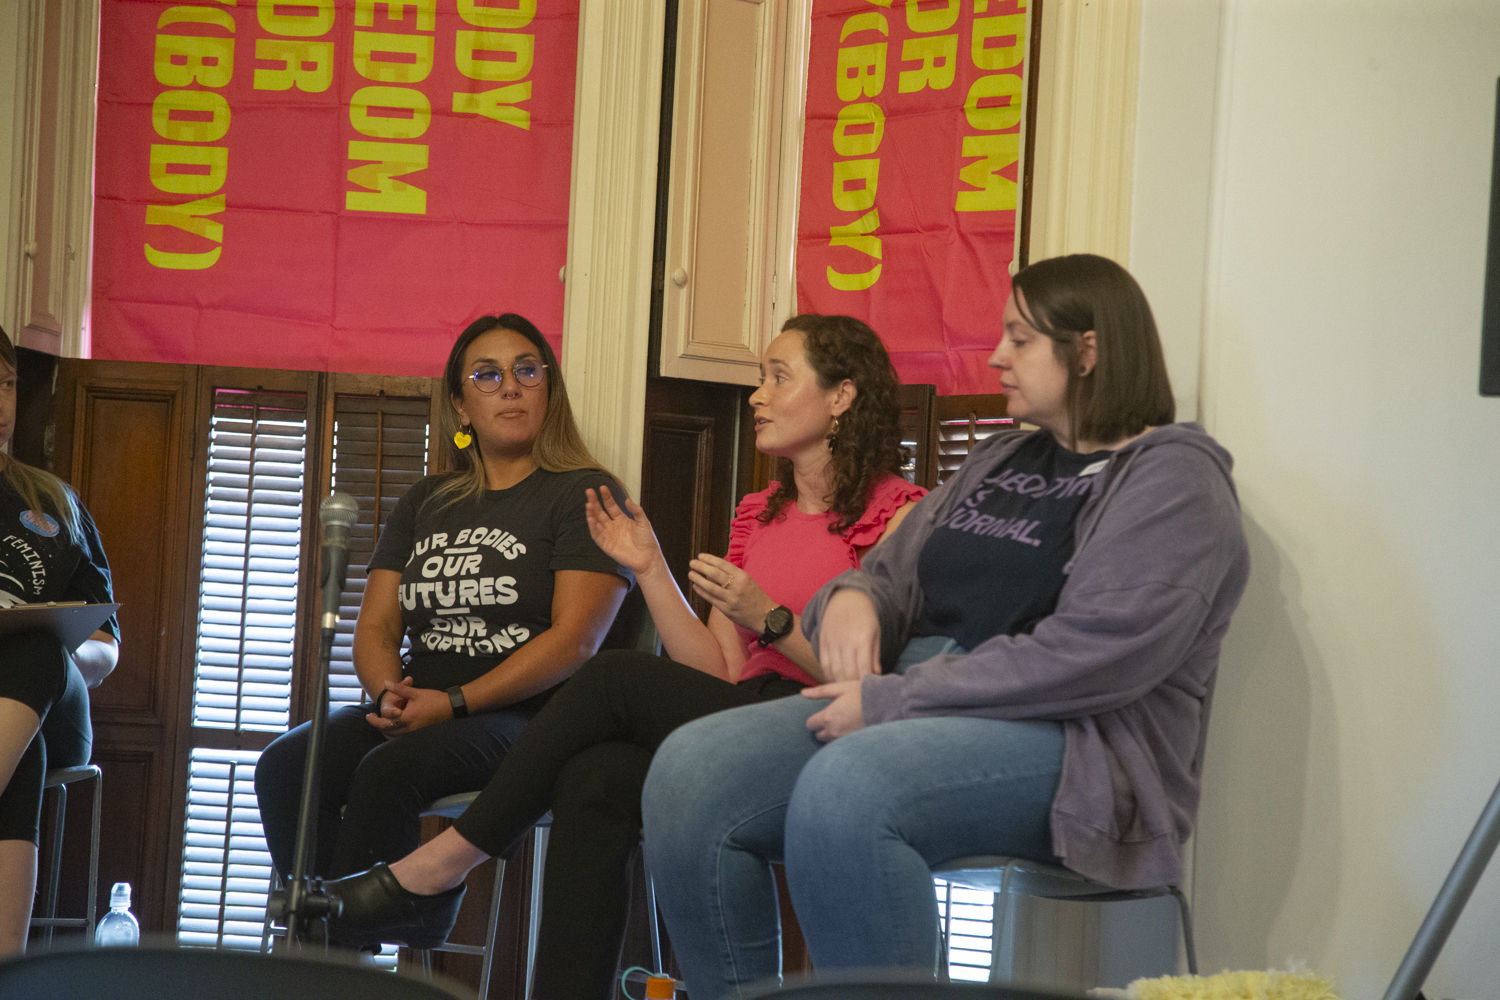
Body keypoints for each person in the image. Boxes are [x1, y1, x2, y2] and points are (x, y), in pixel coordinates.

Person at [641, 254, 1253, 997]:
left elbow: (1092, 656)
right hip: (921, 704)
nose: (998, 355)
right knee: (690, 772)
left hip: (1075, 740)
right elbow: (886, 569)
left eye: (1021, 339)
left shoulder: (1172, 479)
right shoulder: (1001, 457)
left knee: (850, 788)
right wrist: (854, 600)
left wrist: (896, 699)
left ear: (1087, 351)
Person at [319, 315, 926, 993]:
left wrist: (774, 621)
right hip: (743, 712)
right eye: (759, 377)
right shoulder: (759, 513)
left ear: (841, 396)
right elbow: (720, 671)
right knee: (595, 776)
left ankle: (442, 867)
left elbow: (877, 686)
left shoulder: (901, 515)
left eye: (777, 377)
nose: (756, 395)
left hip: (825, 723)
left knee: (611, 676)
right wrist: (650, 569)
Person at [254, 314, 632, 930]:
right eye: (487, 375)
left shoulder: (585, 493)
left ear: (548, 389)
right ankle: (332, 932)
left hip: (529, 719)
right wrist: (387, 692)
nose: (510, 387)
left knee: (387, 772)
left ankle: (348, 950)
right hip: (420, 702)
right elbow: (376, 627)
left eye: (527, 370)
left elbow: (576, 642)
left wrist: (453, 703)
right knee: (286, 766)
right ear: (461, 404)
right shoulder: (426, 502)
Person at [0, 331, 119, 957]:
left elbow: (105, 648)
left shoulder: (55, 503)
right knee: (22, 759)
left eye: (7, 383)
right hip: (23, 738)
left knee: (38, 649)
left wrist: (64, 651)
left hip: (48, 691)